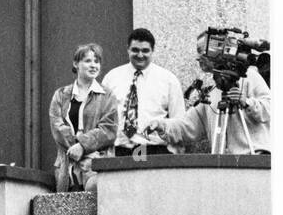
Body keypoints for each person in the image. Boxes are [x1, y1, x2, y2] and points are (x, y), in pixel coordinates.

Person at [151, 47, 270, 155]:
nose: (198, 58)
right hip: (224, 166)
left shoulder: (248, 77)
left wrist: (247, 102)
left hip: (254, 160)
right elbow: (185, 127)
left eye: (202, 51)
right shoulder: (212, 93)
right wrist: (161, 125)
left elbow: (270, 110)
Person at [102, 27, 186, 156]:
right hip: (121, 152)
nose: (140, 55)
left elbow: (179, 122)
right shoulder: (111, 78)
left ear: (152, 51)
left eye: (145, 50)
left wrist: (174, 156)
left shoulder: (168, 80)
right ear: (128, 49)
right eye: (135, 50)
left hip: (155, 152)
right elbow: (102, 118)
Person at [48, 42, 118, 191]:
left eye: (97, 61)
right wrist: (74, 148)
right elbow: (57, 128)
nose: (94, 65)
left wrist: (82, 146)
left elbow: (108, 130)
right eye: (88, 61)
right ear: (76, 64)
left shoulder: (108, 96)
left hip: (96, 164)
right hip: (66, 167)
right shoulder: (60, 95)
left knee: (96, 196)